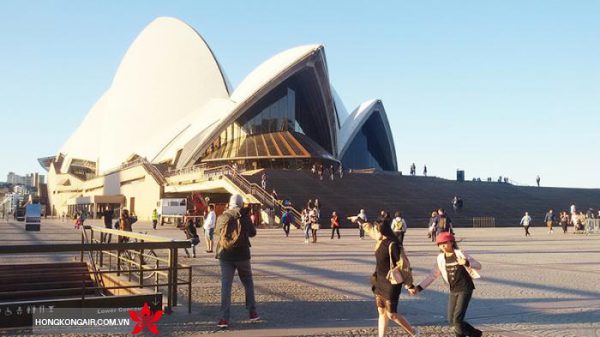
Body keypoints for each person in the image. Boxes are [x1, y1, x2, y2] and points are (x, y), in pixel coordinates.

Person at [354, 215, 419, 337]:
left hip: (391, 282)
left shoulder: (393, 245)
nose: (376, 231)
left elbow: (404, 265)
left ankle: (414, 332)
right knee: (381, 311)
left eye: (377, 229)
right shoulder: (380, 239)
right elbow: (370, 230)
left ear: (383, 230)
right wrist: (359, 220)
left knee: (391, 314)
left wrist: (409, 284)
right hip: (379, 280)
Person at [410, 232, 482, 337]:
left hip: (465, 288)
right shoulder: (440, 258)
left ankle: (468, 334)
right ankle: (475, 333)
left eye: (445, 242)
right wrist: (419, 288)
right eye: (440, 244)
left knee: (457, 318)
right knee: (451, 319)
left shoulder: (460, 253)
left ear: (451, 242)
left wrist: (466, 262)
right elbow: (432, 276)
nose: (443, 245)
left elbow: (478, 265)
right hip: (453, 289)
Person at [215, 194, 259, 328]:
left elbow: (217, 232)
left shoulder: (223, 216)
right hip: (243, 255)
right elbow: (253, 233)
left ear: (229, 203)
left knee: (226, 286)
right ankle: (252, 313)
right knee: (248, 283)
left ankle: (224, 319)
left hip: (226, 255)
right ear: (241, 204)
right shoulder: (244, 216)